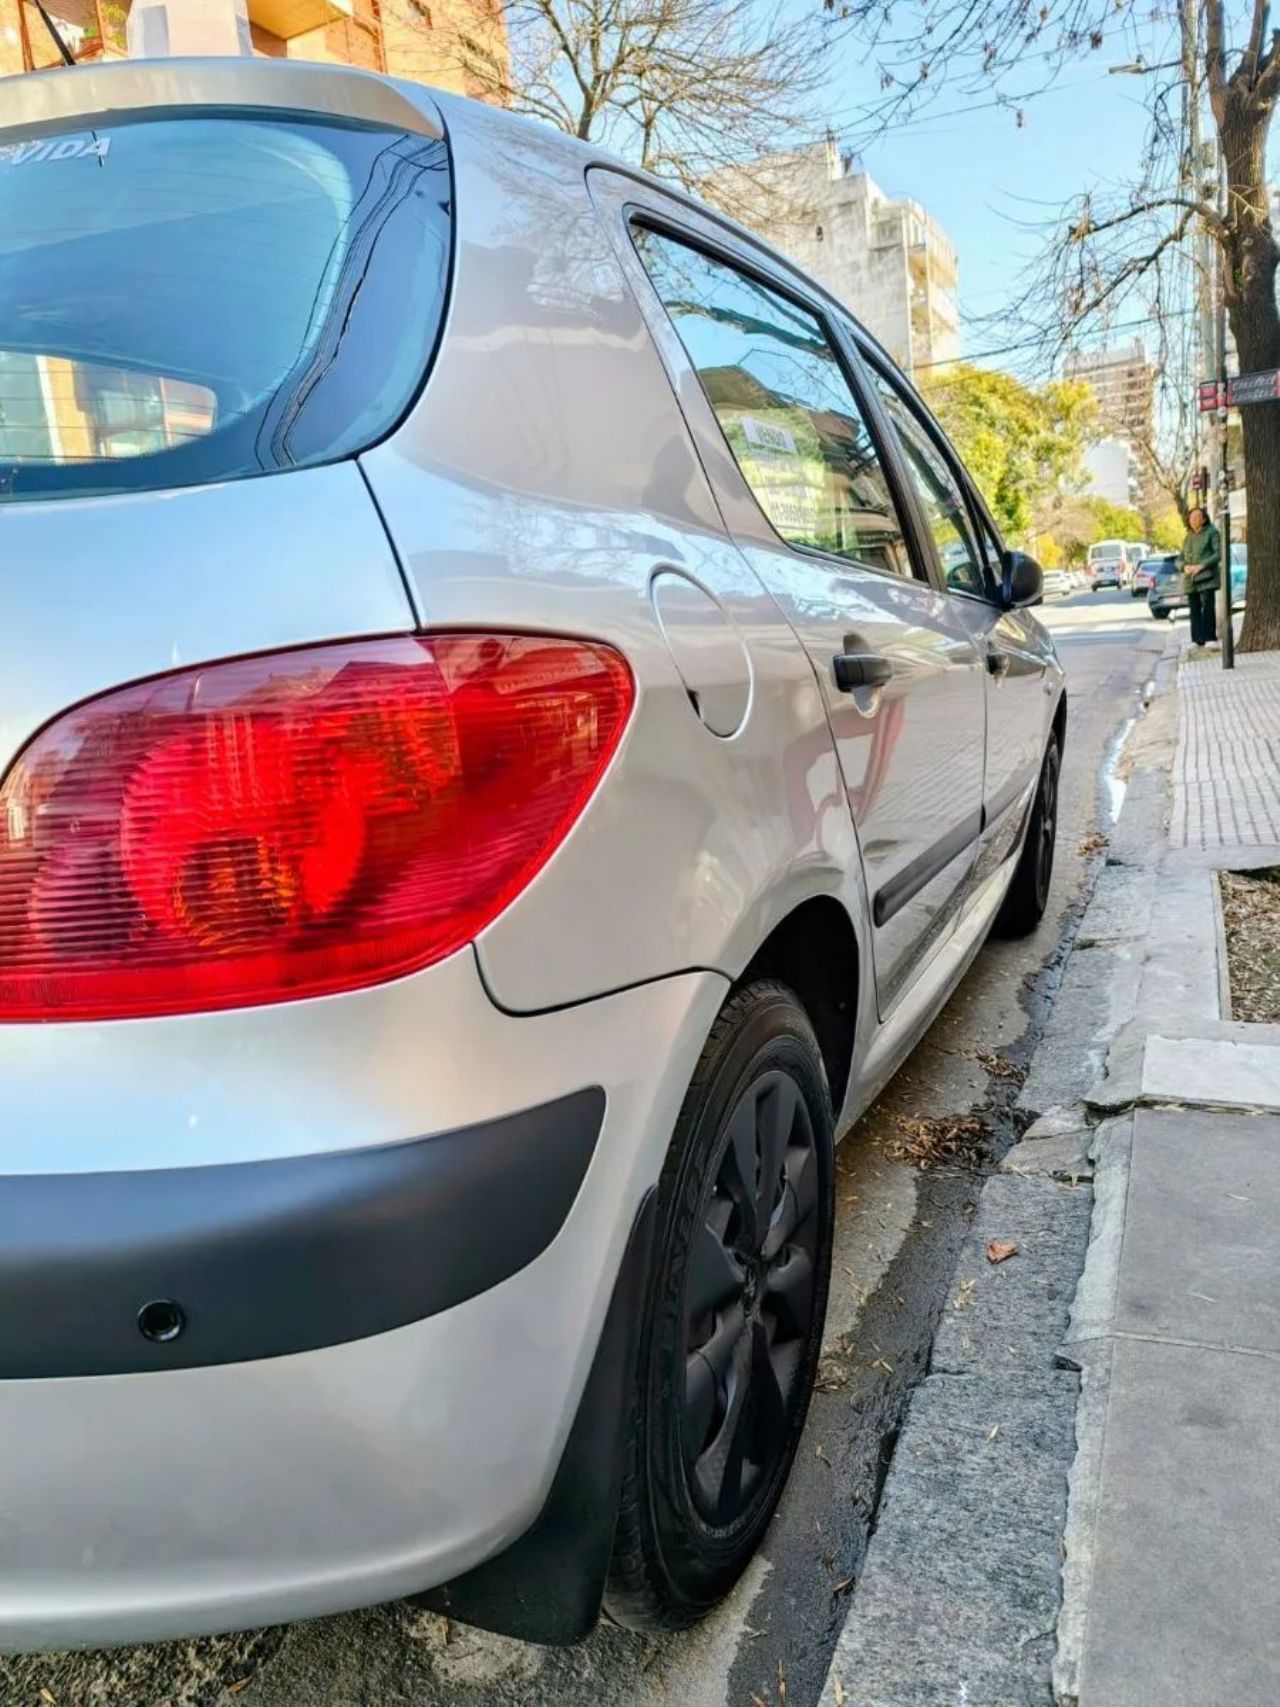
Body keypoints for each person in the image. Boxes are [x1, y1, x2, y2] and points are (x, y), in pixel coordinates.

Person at [1181, 506, 1221, 647]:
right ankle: (1197, 639)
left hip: (1207, 576)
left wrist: (1201, 565)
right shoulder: (1188, 536)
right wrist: (1184, 567)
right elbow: (1180, 558)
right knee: (1194, 608)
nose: (1193, 520)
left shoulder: (1212, 532)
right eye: (1191, 518)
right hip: (1191, 578)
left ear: (1204, 519)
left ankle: (1210, 637)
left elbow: (1218, 553)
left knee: (1208, 606)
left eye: (1197, 517)